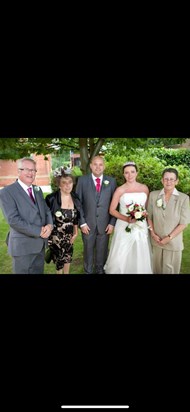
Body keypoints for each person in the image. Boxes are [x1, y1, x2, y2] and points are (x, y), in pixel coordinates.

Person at [0, 157, 53, 274]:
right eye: (27, 170)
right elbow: (13, 220)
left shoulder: (37, 190)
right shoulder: (7, 192)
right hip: (23, 247)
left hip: (40, 246)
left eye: (34, 170)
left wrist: (49, 225)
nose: (31, 173)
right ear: (19, 171)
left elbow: (46, 210)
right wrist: (39, 231)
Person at [104, 161, 153, 274]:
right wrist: (126, 219)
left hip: (141, 226)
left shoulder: (144, 188)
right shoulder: (120, 190)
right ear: (123, 174)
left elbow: (146, 209)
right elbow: (111, 210)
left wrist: (142, 216)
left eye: (132, 172)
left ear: (137, 173)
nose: (129, 175)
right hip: (124, 225)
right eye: (126, 173)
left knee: (140, 251)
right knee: (122, 253)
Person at [75, 155, 117, 274]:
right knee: (88, 250)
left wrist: (112, 223)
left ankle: (100, 270)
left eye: (100, 164)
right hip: (87, 224)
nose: (98, 167)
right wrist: (82, 222)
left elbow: (115, 204)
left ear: (104, 166)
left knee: (102, 251)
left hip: (105, 224)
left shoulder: (112, 181)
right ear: (91, 166)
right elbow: (78, 203)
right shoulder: (82, 180)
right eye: (95, 164)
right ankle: (88, 271)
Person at [147, 167, 190, 274]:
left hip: (173, 243)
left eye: (172, 179)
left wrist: (169, 237)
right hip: (156, 241)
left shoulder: (184, 198)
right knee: (156, 270)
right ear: (162, 180)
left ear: (177, 181)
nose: (168, 182)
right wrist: (153, 234)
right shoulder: (153, 195)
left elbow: (184, 223)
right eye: (166, 179)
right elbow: (149, 217)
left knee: (170, 271)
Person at [45, 170, 81, 274]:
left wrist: (75, 232)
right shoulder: (51, 199)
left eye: (70, 182)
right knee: (59, 262)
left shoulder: (75, 197)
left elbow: (76, 217)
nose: (67, 185)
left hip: (69, 236)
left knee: (68, 258)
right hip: (56, 236)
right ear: (59, 185)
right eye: (64, 183)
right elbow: (45, 217)